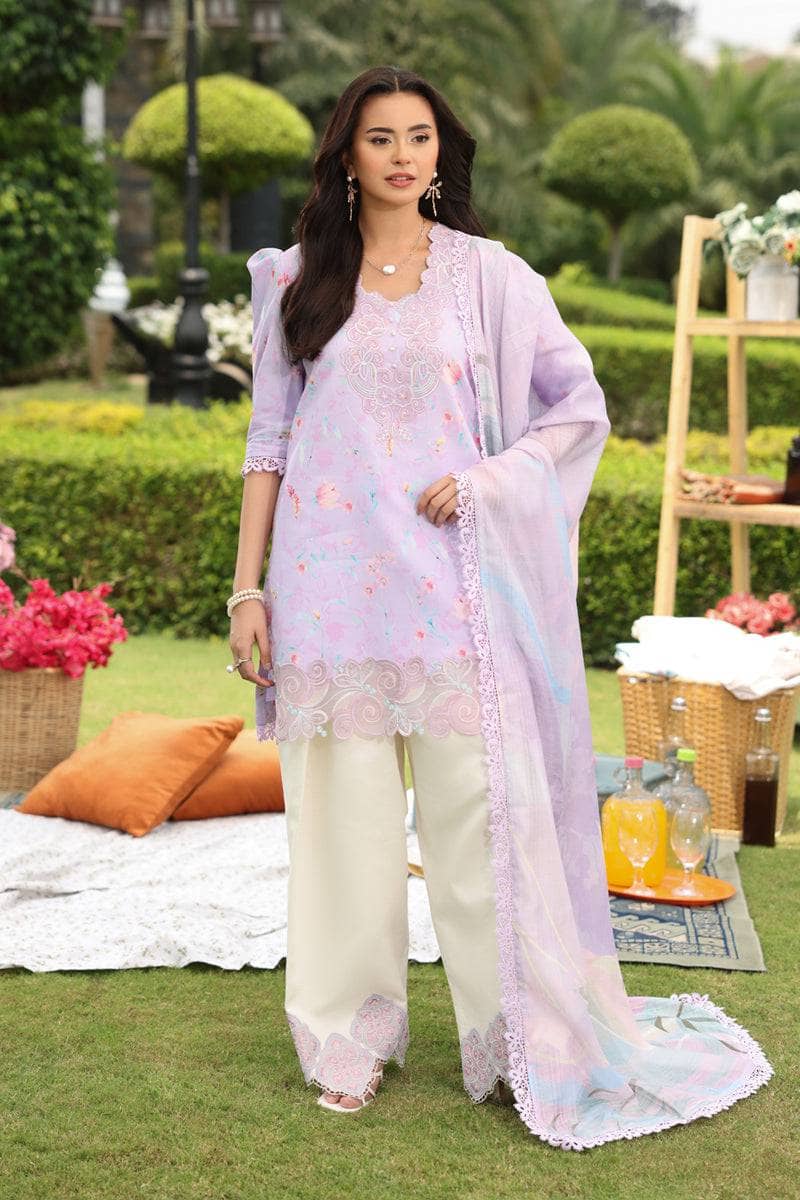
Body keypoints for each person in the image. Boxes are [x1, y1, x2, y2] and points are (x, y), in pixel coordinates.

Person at [228, 66, 773, 1148]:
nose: (399, 154)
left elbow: (573, 410)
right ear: (345, 155)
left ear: (440, 153)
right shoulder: (292, 280)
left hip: (450, 588)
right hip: (326, 592)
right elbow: (269, 445)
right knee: (342, 836)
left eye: (417, 136)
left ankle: (509, 1035)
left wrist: (486, 480)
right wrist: (248, 589)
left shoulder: (490, 278)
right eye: (378, 137)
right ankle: (347, 1039)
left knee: (482, 823)